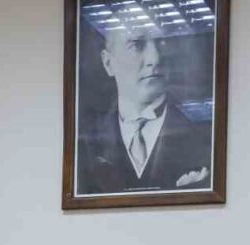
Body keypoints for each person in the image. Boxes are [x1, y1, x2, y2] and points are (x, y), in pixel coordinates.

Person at [75, 9, 212, 195]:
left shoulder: (204, 135)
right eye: (136, 45)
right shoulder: (85, 143)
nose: (155, 58)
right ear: (108, 63)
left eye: (162, 42)